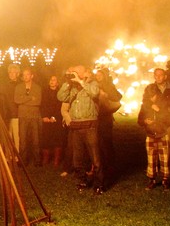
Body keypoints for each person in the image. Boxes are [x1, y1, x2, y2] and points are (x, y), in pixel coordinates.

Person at [57, 65, 105, 194]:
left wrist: (80, 81)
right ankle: (82, 181)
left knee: (95, 157)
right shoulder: (71, 87)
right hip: (76, 126)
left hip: (90, 125)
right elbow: (61, 97)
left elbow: (94, 93)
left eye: (76, 72)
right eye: (72, 73)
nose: (74, 74)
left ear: (84, 73)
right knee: (77, 158)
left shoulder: (92, 83)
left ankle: (99, 184)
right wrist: (68, 82)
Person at [138, 68, 170, 190]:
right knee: (151, 158)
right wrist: (145, 121)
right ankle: (152, 179)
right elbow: (140, 119)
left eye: (154, 96)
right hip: (151, 134)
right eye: (150, 97)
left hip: (163, 132)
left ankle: (166, 179)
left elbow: (169, 115)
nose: (152, 99)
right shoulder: (146, 105)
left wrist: (159, 111)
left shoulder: (164, 103)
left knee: (165, 158)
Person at [95, 68, 122, 182]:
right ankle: (99, 163)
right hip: (96, 116)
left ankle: (110, 164)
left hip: (105, 117)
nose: (98, 77)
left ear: (104, 76)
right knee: (97, 142)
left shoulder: (109, 86)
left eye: (100, 75)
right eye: (97, 75)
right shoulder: (94, 85)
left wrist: (106, 94)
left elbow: (118, 97)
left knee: (106, 141)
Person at [14, 67, 42, 167]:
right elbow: (17, 100)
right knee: (23, 140)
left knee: (36, 139)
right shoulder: (18, 87)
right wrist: (30, 98)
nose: (25, 76)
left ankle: (37, 161)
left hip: (34, 116)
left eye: (27, 74)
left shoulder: (37, 87)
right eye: (24, 75)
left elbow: (37, 102)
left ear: (32, 76)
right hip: (23, 116)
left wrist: (24, 100)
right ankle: (23, 161)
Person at [40, 75, 65, 168]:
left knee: (57, 139)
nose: (52, 81)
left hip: (57, 119)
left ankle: (56, 159)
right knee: (46, 138)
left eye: (54, 80)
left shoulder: (60, 92)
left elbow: (60, 106)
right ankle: (46, 159)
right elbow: (42, 105)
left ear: (57, 82)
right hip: (46, 119)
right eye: (51, 80)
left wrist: (55, 117)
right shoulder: (44, 92)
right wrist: (44, 116)